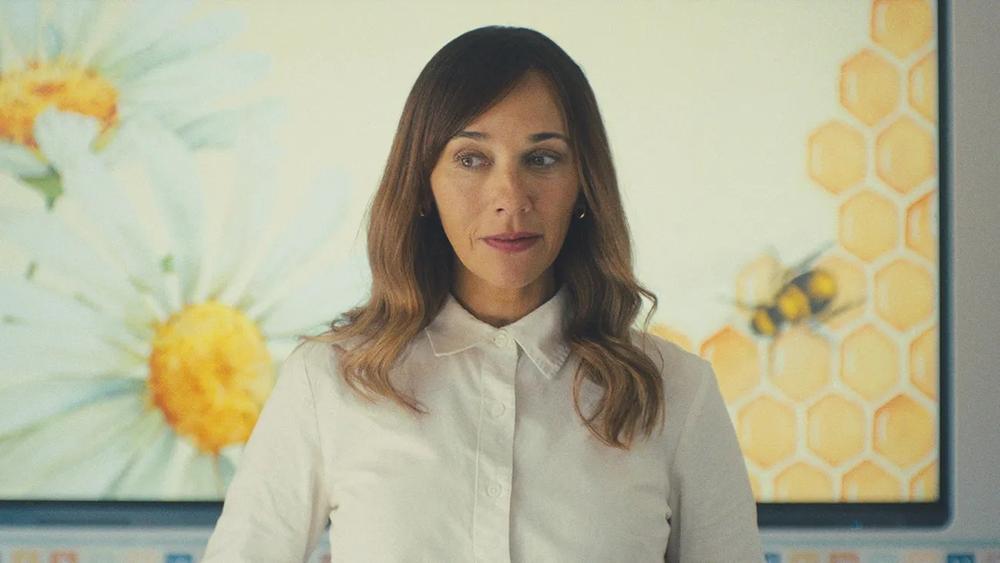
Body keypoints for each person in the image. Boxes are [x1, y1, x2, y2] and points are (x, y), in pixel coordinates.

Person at [203, 25, 763, 562]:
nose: (510, 197)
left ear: (584, 184)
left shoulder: (677, 393)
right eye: (471, 159)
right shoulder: (329, 380)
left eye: (542, 159)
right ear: (424, 185)